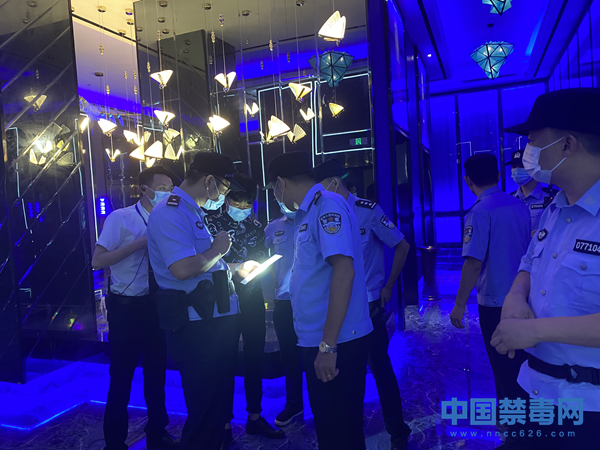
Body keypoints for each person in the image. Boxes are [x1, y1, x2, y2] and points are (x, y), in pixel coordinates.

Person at [492, 88, 600, 450]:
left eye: (533, 140)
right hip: (535, 391)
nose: (527, 151)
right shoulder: (556, 208)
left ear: (567, 145)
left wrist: (535, 331)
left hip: (587, 407)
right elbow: (529, 263)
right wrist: (515, 295)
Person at [146, 153, 259, 450]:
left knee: (215, 411)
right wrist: (219, 250)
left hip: (212, 322)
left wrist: (234, 268)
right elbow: (182, 269)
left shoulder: (190, 211)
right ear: (209, 181)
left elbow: (203, 265)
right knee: (205, 414)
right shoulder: (170, 212)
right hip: (196, 326)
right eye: (224, 188)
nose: (223, 195)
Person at [266, 152, 373, 450]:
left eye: (274, 189)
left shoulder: (327, 205)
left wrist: (328, 346)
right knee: (330, 427)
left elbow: (344, 271)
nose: (275, 196)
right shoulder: (307, 212)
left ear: (281, 183)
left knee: (339, 430)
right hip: (320, 338)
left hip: (337, 341)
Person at [313, 159, 412, 450]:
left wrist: (389, 285)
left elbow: (402, 245)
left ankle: (397, 429)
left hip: (368, 305)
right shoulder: (319, 213)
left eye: (320, 188)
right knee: (341, 373)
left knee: (379, 367)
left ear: (333, 183)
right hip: (335, 306)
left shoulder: (367, 211)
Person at [92, 166, 179, 450]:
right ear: (144, 189)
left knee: (157, 374)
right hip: (127, 308)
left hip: (158, 306)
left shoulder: (170, 219)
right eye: (162, 188)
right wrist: (138, 244)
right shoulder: (121, 218)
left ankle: (158, 432)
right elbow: (97, 261)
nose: (167, 193)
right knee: (121, 376)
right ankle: (115, 442)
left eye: (170, 188)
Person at [204, 173, 284, 443]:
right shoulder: (210, 223)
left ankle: (255, 416)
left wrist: (260, 270)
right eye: (238, 203)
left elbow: (260, 258)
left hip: (251, 298)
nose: (243, 208)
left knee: (254, 358)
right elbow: (204, 263)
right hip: (222, 300)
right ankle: (224, 422)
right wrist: (235, 268)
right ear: (227, 199)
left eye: (248, 203)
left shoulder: (255, 225)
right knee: (224, 360)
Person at [450, 154, 531, 407]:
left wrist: (459, 304)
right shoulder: (519, 205)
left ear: (467, 180)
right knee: (521, 362)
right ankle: (522, 418)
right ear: (498, 175)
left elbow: (473, 263)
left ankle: (515, 423)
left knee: (502, 364)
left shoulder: (479, 212)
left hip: (495, 301)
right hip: (524, 296)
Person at [264, 201, 304, 427]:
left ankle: (324, 402)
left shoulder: (315, 219)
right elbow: (261, 256)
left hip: (313, 300)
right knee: (289, 355)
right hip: (284, 299)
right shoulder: (273, 227)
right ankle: (294, 403)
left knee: (317, 352)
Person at [506, 149, 558, 235]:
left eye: (522, 166)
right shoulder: (509, 199)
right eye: (514, 166)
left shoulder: (552, 198)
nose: (517, 170)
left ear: (534, 168)